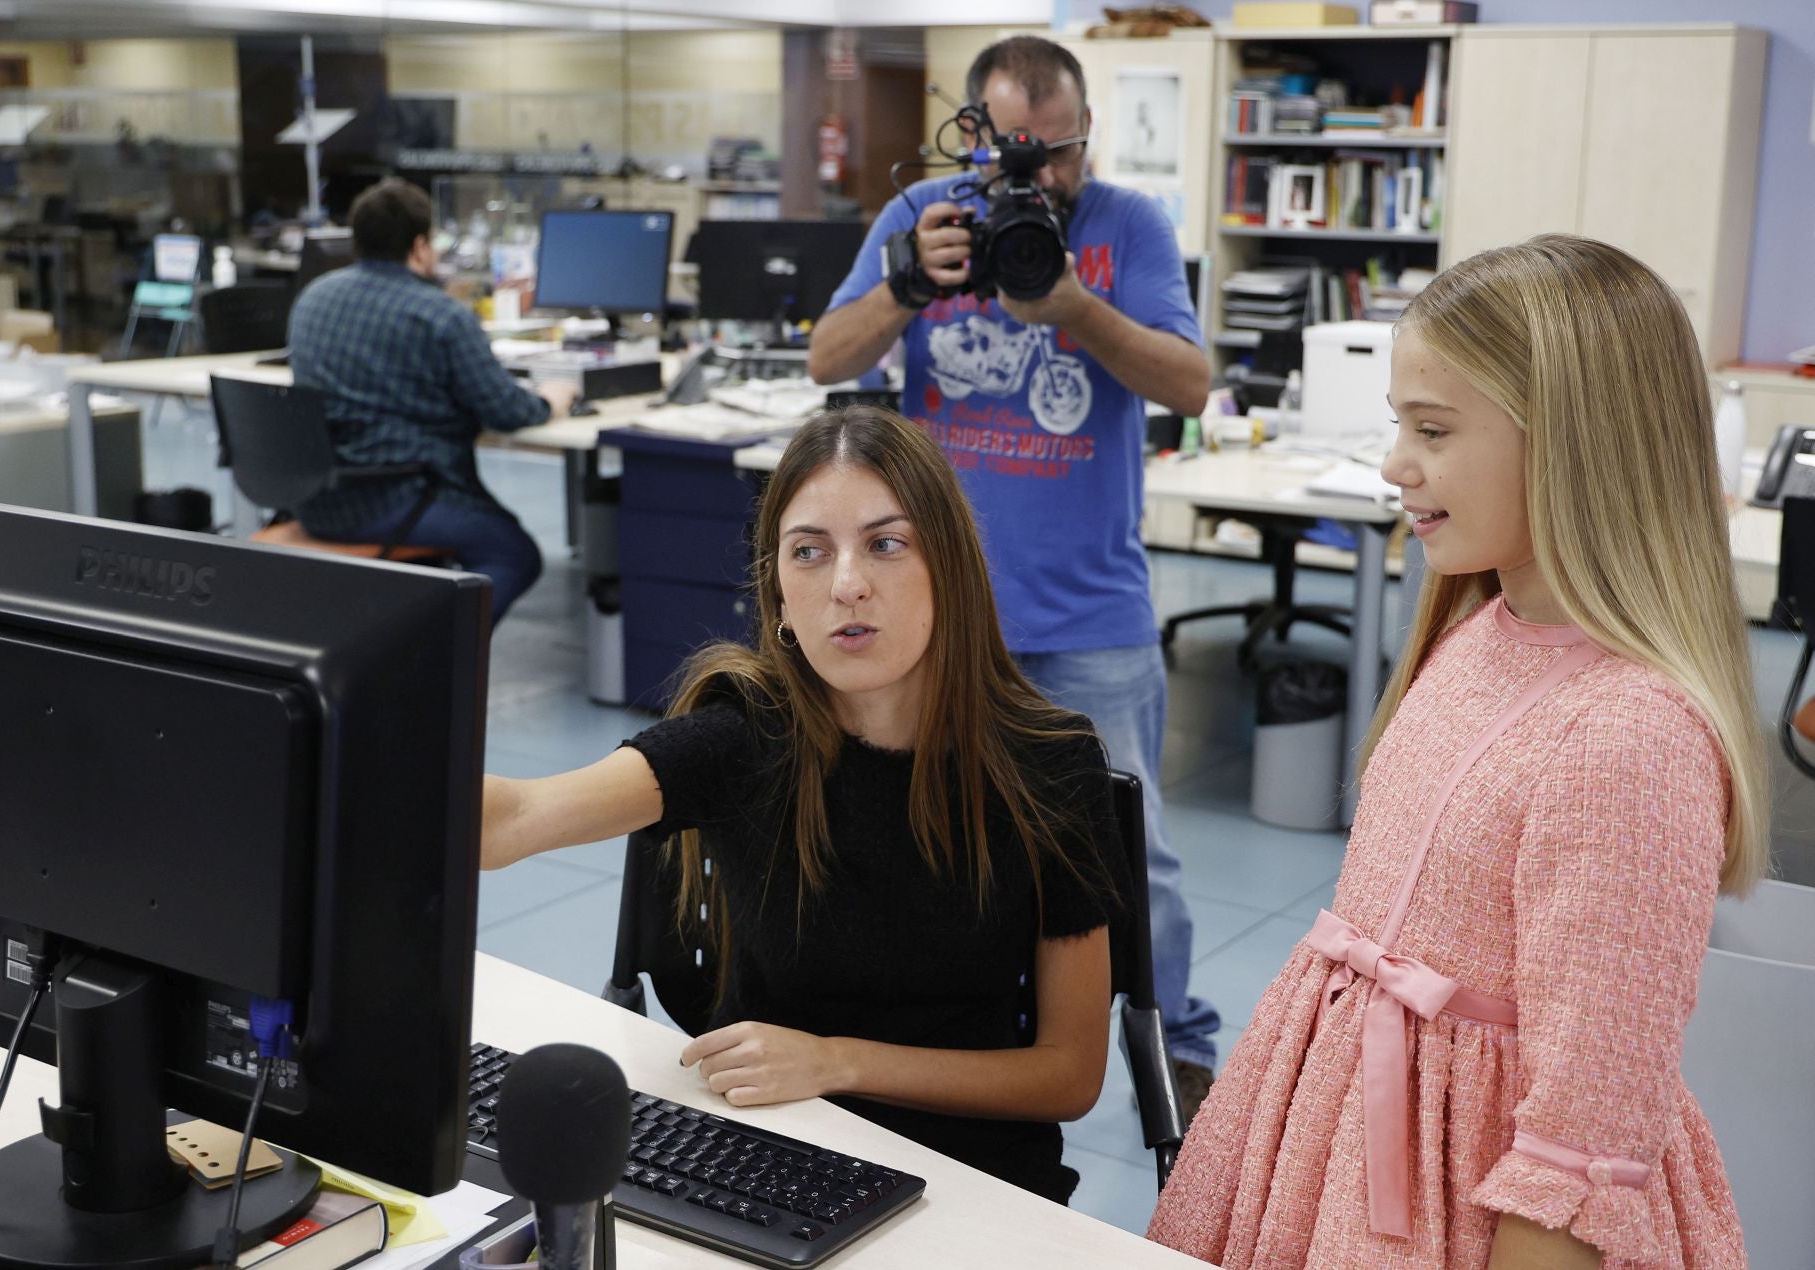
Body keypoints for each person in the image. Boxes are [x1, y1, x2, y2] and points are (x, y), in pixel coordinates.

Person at [1148, 234, 1766, 1268]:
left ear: (1577, 443)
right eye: (1400, 425)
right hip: (1336, 1146)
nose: (1396, 466)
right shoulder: (1477, 629)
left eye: (1432, 430)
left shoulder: (1631, 740)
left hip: (1466, 1210)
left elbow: (1582, 1144)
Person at [481, 406, 1119, 1203]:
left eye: (886, 544)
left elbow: (1068, 1074)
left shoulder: (1050, 767)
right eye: (809, 553)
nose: (847, 584)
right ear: (778, 597)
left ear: (949, 569)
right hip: (765, 1152)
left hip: (972, 1177)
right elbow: (512, 819)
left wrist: (836, 1060)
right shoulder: (741, 735)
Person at [808, 34, 1221, 1116]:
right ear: (976, 137)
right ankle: (954, 1025)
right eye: (1017, 157)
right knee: (923, 829)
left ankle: (1173, 1045)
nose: (1041, 180)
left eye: (1061, 154)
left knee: (1137, 857)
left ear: (1087, 134)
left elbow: (1190, 384)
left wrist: (1077, 310)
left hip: (1089, 610)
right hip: (935, 609)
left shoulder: (1128, 225)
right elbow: (827, 359)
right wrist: (906, 285)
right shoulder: (923, 218)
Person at [287, 177, 576, 627]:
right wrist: (550, 398)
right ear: (420, 247)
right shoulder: (441, 315)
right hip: (398, 502)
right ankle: (430, 657)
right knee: (515, 554)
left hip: (313, 497)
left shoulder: (313, 298)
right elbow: (506, 411)